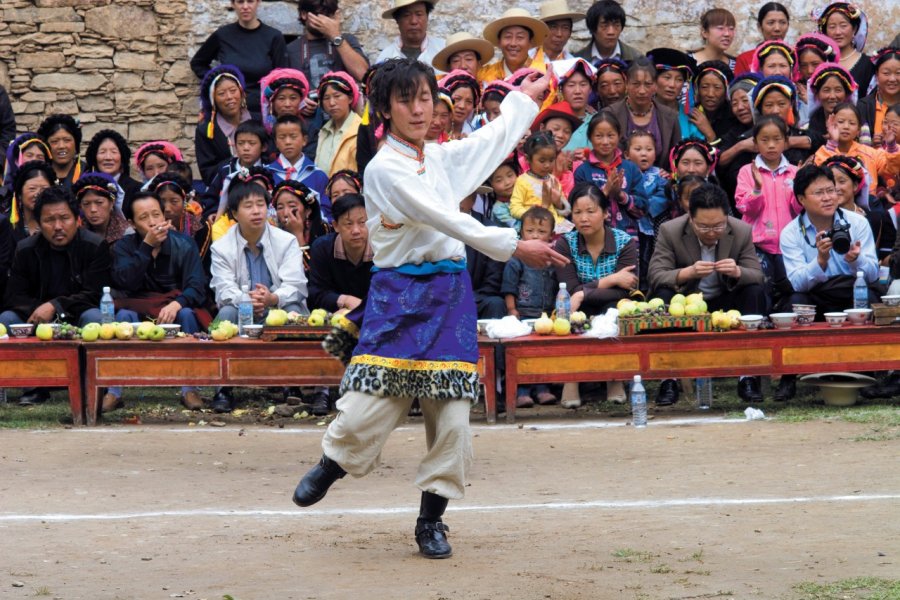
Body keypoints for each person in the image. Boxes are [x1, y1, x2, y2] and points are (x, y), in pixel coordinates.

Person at [290, 58, 564, 559]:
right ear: (385, 109)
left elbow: (487, 144)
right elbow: (442, 216)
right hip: (398, 298)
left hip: (449, 296)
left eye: (424, 98)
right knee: (370, 404)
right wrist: (512, 243)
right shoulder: (384, 170)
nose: (419, 110)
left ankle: (431, 521)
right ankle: (334, 462)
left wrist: (525, 98)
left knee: (454, 418)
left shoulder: (435, 158)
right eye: (406, 100)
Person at [648, 182, 766, 403]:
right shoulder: (670, 230)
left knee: (755, 291)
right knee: (662, 295)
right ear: (690, 219)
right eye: (703, 227)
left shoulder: (740, 230)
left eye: (718, 226)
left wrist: (738, 271)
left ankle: (748, 375)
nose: (712, 233)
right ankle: (668, 378)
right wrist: (687, 273)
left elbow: (757, 275)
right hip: (687, 304)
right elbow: (655, 275)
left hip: (726, 301)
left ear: (726, 218)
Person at [777, 163, 880, 401]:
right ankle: (788, 375)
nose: (828, 198)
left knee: (872, 298)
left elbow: (873, 274)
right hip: (815, 296)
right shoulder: (791, 232)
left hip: (852, 292)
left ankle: (868, 373)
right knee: (793, 302)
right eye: (819, 193)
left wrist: (856, 260)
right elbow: (797, 284)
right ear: (801, 198)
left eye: (831, 190)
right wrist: (820, 260)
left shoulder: (857, 223)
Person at [209, 167, 308, 413]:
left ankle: (292, 384)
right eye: (248, 206)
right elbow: (222, 289)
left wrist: (274, 297)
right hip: (243, 311)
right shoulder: (221, 247)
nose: (256, 211)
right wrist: (248, 299)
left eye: (260, 204)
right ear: (233, 213)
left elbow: (296, 285)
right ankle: (223, 386)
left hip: (276, 308)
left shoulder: (286, 241)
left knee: (294, 311)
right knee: (226, 315)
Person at [0, 186, 110, 405]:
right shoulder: (25, 249)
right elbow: (14, 296)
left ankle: (93, 384)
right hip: (36, 317)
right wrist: (40, 310)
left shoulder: (94, 246)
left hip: (76, 315)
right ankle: (32, 387)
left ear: (77, 219)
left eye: (64, 218)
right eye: (49, 220)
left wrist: (55, 306)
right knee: (6, 320)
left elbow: (94, 293)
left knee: (96, 318)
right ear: (39, 223)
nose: (58, 226)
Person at [108, 191, 210, 413]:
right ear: (131, 223)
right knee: (123, 317)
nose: (153, 222)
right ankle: (114, 391)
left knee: (187, 314)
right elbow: (124, 282)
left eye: (156, 214)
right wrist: (146, 247)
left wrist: (177, 303)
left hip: (173, 309)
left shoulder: (185, 244)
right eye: (144, 218)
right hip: (137, 307)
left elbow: (197, 286)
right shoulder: (122, 247)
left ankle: (189, 388)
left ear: (165, 217)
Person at [554, 182, 638, 406]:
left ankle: (615, 377)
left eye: (591, 211)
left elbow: (625, 289)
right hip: (577, 307)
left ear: (605, 213)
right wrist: (609, 280)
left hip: (611, 305)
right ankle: (571, 380)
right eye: (578, 212)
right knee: (574, 312)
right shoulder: (564, 244)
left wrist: (583, 293)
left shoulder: (625, 242)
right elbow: (569, 289)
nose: (583, 218)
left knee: (612, 310)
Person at [734, 115, 801, 312]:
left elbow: (799, 210)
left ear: (786, 142)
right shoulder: (747, 171)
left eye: (777, 139)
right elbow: (746, 208)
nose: (771, 145)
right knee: (760, 289)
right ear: (755, 144)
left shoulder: (794, 172)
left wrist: (799, 190)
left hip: (789, 244)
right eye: (764, 140)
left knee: (790, 290)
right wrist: (757, 188)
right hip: (757, 243)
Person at [190, 0, 287, 119]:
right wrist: (217, 80)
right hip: (229, 112)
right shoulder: (223, 35)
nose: (245, 7)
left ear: (258, 2)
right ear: (233, 4)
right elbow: (198, 63)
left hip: (263, 113)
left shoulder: (274, 36)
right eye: (240, 2)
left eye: (250, 1)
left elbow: (283, 76)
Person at [502, 205, 558, 407]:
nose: (535, 235)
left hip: (546, 316)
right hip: (524, 314)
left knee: (543, 353)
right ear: (521, 232)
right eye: (530, 231)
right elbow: (509, 287)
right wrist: (512, 310)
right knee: (523, 353)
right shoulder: (516, 261)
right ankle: (522, 391)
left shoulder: (552, 260)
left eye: (541, 232)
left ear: (551, 235)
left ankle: (543, 389)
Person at [574, 112, 648, 240]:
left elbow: (642, 209)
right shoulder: (583, 171)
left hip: (627, 238)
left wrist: (621, 195)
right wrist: (605, 191)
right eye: (599, 136)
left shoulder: (631, 169)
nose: (605, 141)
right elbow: (578, 210)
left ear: (619, 136)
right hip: (593, 240)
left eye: (610, 135)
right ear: (590, 137)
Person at [604, 57, 681, 169]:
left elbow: (676, 157)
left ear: (655, 85)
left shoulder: (669, 117)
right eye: (636, 84)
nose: (642, 91)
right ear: (626, 83)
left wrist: (667, 176)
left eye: (648, 84)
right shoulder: (610, 115)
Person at [815, 102, 900, 189]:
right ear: (830, 124)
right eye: (841, 122)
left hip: (868, 201)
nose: (846, 127)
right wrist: (832, 142)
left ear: (859, 130)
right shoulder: (825, 151)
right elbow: (821, 172)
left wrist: (891, 145)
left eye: (852, 123)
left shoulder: (871, 153)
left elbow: (891, 170)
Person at [287, 0, 369, 88]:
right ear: (304, 14)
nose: (324, 21)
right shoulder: (290, 49)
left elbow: (363, 76)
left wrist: (335, 36)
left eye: (328, 16)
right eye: (319, 15)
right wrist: (300, 97)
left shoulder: (347, 41)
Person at [194, 65, 252, 186]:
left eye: (233, 90)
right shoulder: (206, 131)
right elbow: (208, 174)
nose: (229, 97)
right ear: (213, 100)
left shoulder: (257, 121)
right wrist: (237, 161)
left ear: (241, 93)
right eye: (221, 93)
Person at [266, 114, 331, 218]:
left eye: (293, 136)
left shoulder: (318, 175)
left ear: (304, 140)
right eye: (282, 137)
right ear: (276, 143)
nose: (288, 142)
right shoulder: (266, 175)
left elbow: (327, 213)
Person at [204, 120, 269, 221]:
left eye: (252, 143)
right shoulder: (225, 170)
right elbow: (210, 196)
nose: (246, 148)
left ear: (264, 147)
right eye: (241, 143)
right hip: (228, 222)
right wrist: (212, 212)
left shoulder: (268, 170)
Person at [149, 173, 213, 273]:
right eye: (161, 201)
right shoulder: (149, 226)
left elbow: (196, 267)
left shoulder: (200, 227)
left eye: (174, 201)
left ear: (184, 202)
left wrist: (175, 240)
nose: (167, 209)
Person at [509, 131, 570, 232]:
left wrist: (558, 202)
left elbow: (565, 210)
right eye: (542, 161)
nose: (547, 165)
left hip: (556, 226)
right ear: (527, 159)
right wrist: (534, 214)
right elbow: (514, 208)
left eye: (551, 160)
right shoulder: (522, 181)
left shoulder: (553, 180)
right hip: (535, 229)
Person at [816, 2, 875, 95]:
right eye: (832, 27)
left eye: (843, 26)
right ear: (825, 32)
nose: (838, 32)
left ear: (854, 29)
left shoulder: (867, 64)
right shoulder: (820, 61)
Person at [478, 8, 550, 83]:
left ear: (530, 42)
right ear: (499, 42)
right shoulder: (484, 75)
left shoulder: (544, 73)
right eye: (508, 37)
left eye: (520, 37)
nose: (513, 43)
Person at [647, 48, 701, 141]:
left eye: (679, 80)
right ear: (654, 79)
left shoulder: (690, 116)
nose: (672, 85)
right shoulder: (642, 110)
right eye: (667, 77)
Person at [315, 72, 362, 176]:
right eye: (326, 98)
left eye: (337, 96)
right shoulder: (323, 132)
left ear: (350, 98)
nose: (332, 103)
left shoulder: (361, 130)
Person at [376, 0, 445, 65]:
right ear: (397, 20)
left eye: (419, 14)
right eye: (406, 15)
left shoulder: (443, 51)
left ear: (427, 17)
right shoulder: (386, 58)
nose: (413, 21)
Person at [575, 0, 643, 63]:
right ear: (592, 28)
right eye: (604, 25)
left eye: (616, 25)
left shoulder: (636, 58)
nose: (611, 32)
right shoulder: (577, 61)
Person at [84, 130, 140, 207]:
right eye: (102, 152)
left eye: (114, 152)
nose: (108, 157)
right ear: (94, 158)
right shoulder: (84, 188)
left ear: (122, 158)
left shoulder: (137, 190)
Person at [690, 61, 738, 149]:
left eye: (717, 87)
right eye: (704, 87)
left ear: (726, 91)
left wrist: (709, 133)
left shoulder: (735, 117)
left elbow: (723, 155)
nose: (710, 94)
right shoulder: (689, 114)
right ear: (697, 90)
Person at [795, 33, 840, 126]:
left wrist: (810, 101)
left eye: (815, 64)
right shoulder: (795, 91)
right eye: (803, 65)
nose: (809, 70)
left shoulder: (840, 88)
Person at [734, 2, 790, 76]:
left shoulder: (796, 58)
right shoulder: (745, 59)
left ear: (788, 25)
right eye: (771, 23)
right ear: (759, 26)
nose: (777, 28)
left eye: (782, 22)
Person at [73, 173, 129, 246]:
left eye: (99, 202)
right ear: (80, 206)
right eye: (86, 203)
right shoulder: (75, 232)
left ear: (112, 203)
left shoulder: (127, 234)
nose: (93, 210)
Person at [858, 47, 900, 145]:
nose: (892, 79)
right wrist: (871, 143)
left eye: (898, 73)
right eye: (886, 73)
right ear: (877, 75)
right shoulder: (864, 106)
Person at [806, 62, 857, 139]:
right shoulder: (808, 127)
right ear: (817, 95)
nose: (832, 96)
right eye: (826, 90)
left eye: (838, 90)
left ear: (846, 94)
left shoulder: (859, 124)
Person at [8, 161, 56, 244]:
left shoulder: (57, 223)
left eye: (44, 189)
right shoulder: (7, 224)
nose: (38, 194)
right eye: (32, 188)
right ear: (20, 194)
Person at [1, 133, 50, 211]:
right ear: (16, 160)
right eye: (29, 155)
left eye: (40, 157)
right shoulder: (4, 195)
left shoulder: (52, 189)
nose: (34, 160)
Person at [556, 58, 597, 152]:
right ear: (561, 90)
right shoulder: (552, 121)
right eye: (571, 85)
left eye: (583, 85)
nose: (577, 91)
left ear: (590, 89)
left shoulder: (598, 121)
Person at [37, 114, 84, 189]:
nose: (61, 146)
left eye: (67, 140)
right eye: (54, 141)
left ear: (76, 145)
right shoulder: (38, 175)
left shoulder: (88, 173)